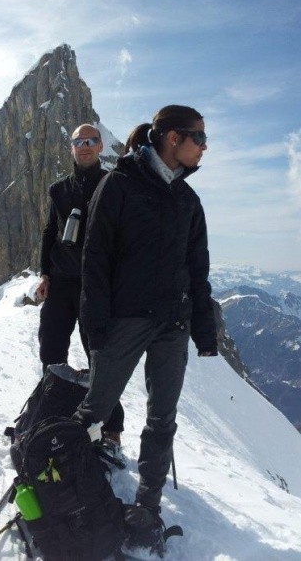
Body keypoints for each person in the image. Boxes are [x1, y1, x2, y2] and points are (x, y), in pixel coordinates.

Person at [73, 105, 218, 549]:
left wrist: (204, 331)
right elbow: (94, 257)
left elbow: (197, 270)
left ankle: (147, 508)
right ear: (171, 138)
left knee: (162, 420)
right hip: (126, 319)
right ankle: (67, 486)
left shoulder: (189, 201)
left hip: (172, 323)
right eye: (199, 138)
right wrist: (94, 323)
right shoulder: (120, 185)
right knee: (95, 408)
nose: (204, 147)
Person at [36, 123, 125, 451]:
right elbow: (49, 232)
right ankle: (51, 411)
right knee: (51, 350)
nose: (84, 146)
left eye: (91, 140)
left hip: (97, 287)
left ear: (101, 146)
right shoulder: (59, 190)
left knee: (100, 358)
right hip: (61, 284)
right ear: (71, 147)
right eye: (78, 141)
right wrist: (45, 274)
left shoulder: (113, 184)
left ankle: (112, 428)